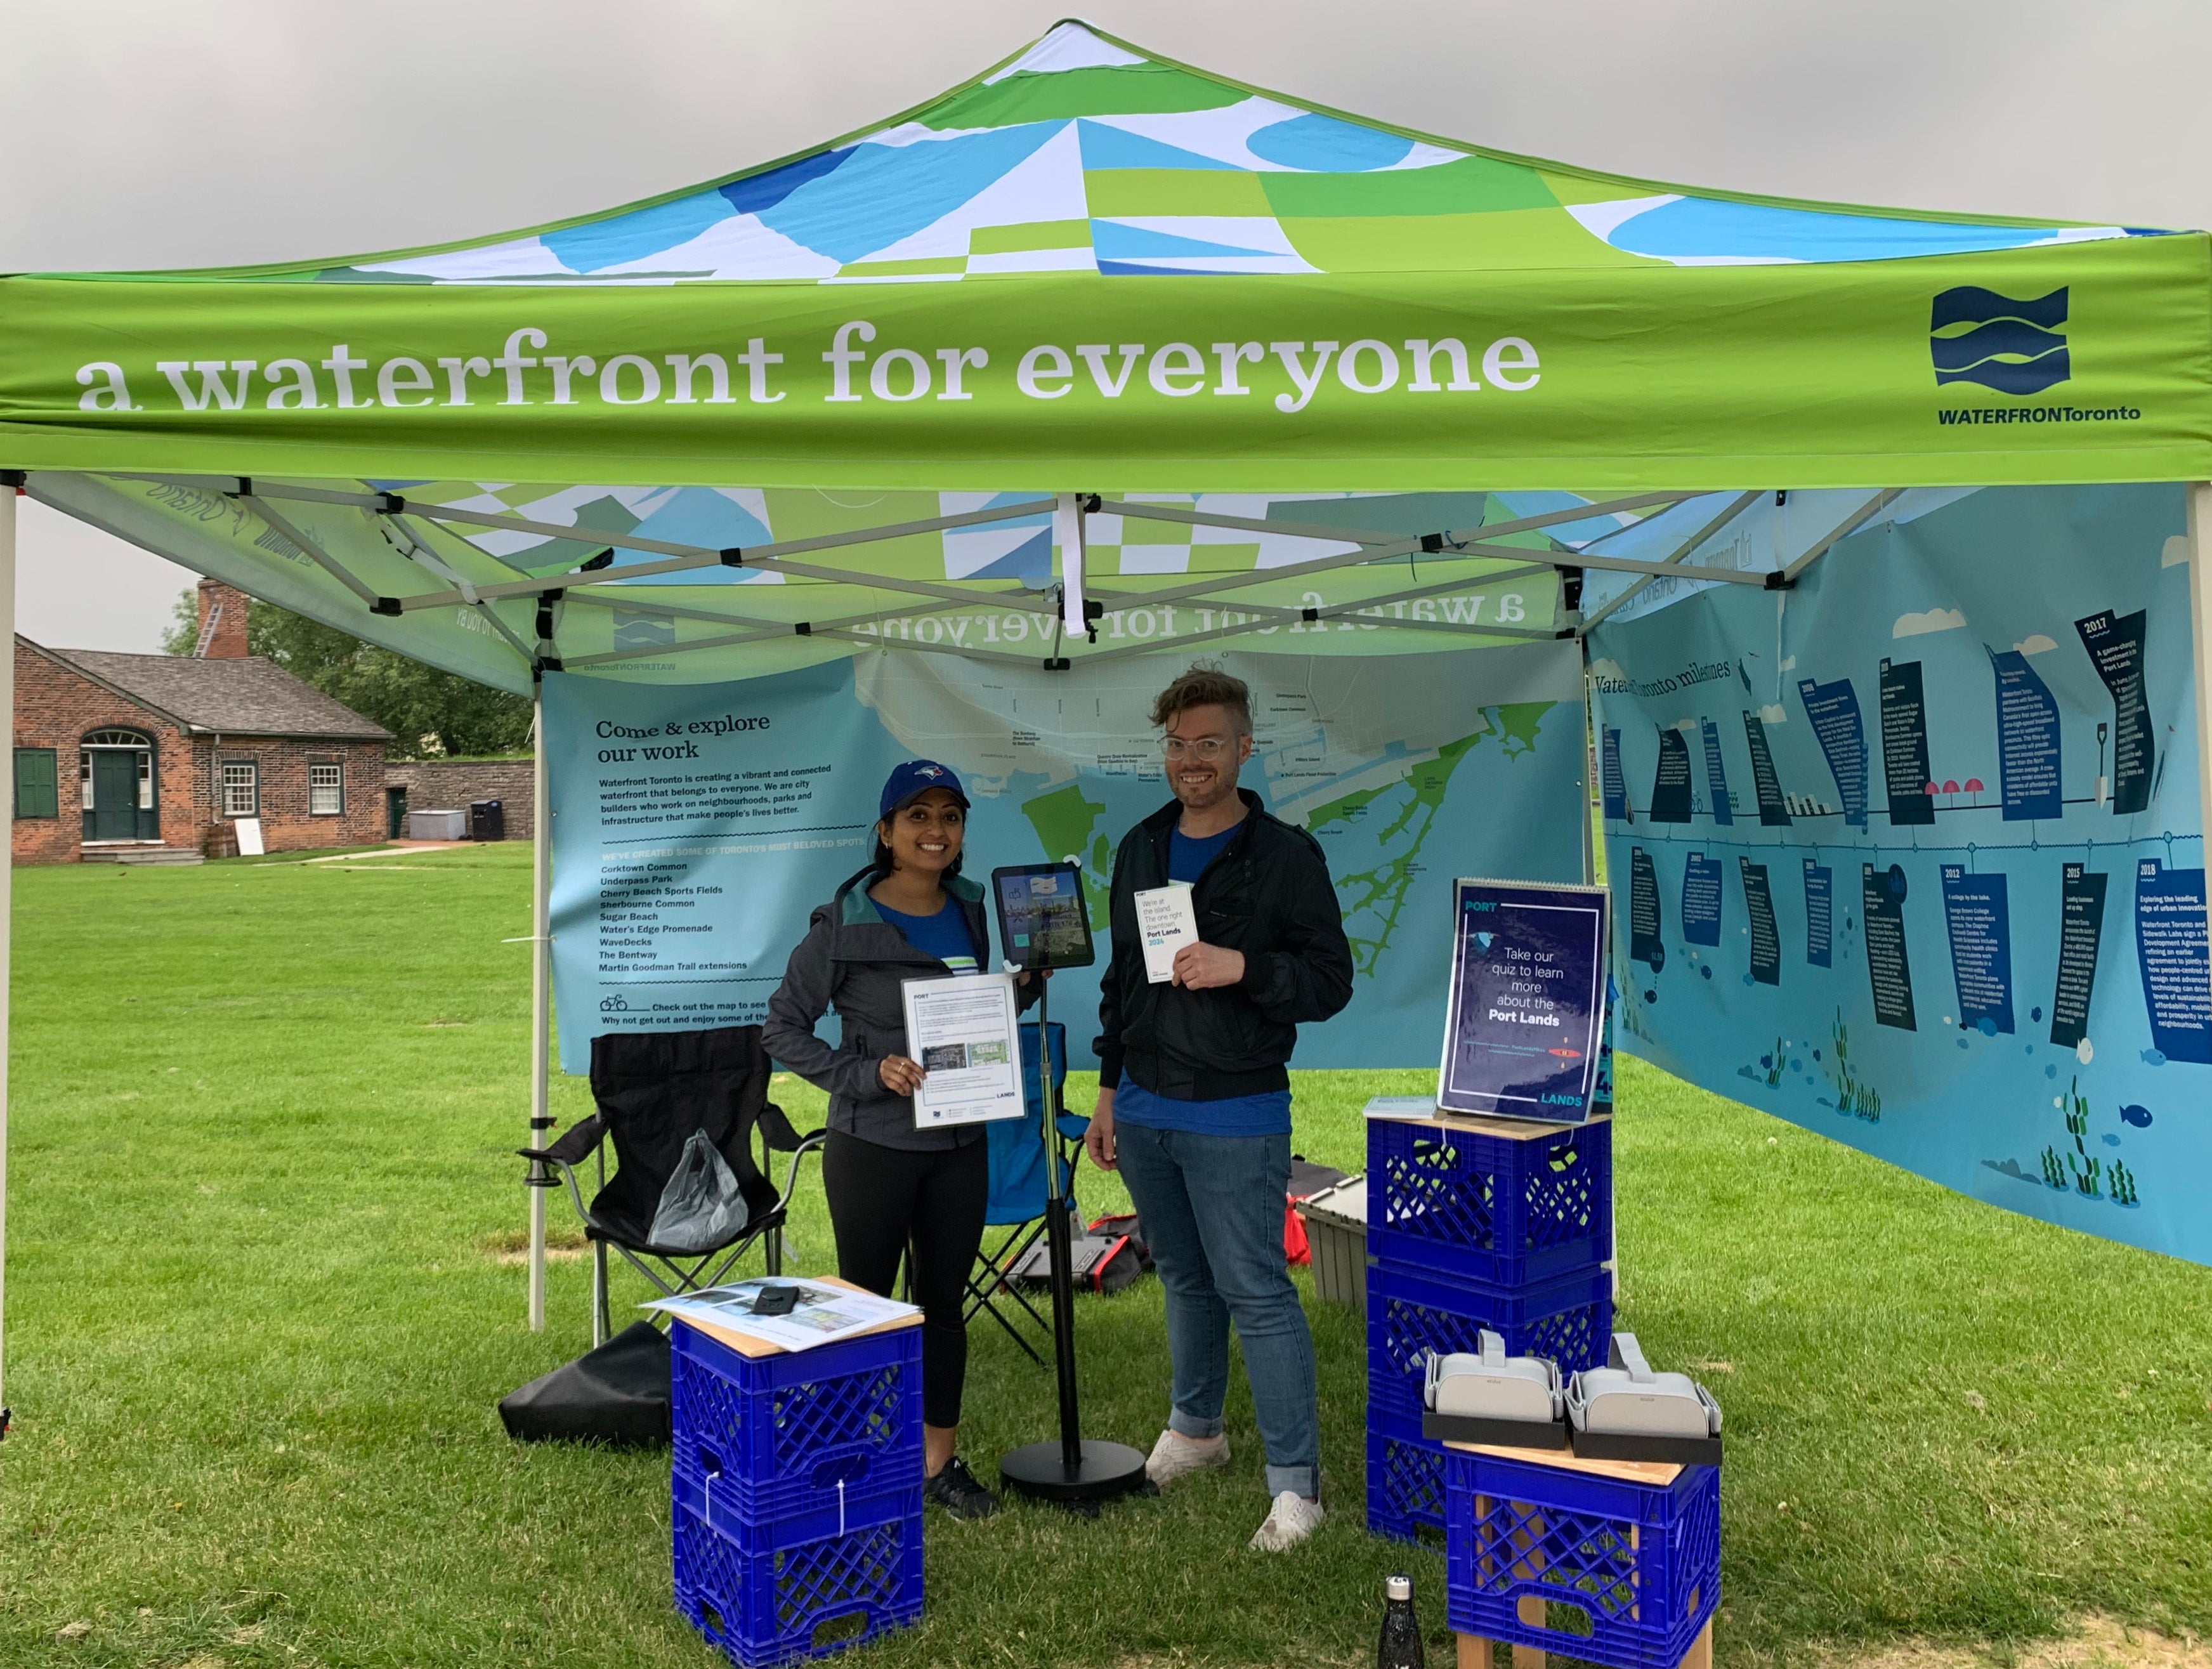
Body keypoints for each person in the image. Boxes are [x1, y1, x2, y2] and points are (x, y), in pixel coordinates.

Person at [1085, 667, 1354, 1550]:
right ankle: (1195, 1430)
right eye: (1176, 743)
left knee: (1256, 1290)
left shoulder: (1283, 854)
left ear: (1243, 746)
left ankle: (1295, 1488)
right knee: (1184, 1275)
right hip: (1145, 1104)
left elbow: (1328, 980)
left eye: (1208, 742)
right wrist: (1105, 1092)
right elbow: (1121, 979)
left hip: (1236, 1109)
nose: (1189, 759)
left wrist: (1245, 967)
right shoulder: (1140, 846)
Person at [764, 759, 1034, 1521]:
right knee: (867, 1308)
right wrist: (862, 1072)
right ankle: (853, 1457)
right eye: (916, 816)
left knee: (944, 1307)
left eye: (949, 817)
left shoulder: (976, 912)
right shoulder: (842, 925)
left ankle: (936, 1460)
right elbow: (781, 1028)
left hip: (958, 1147)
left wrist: (1019, 990)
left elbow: (970, 1022)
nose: (934, 831)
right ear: (884, 832)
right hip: (873, 1146)